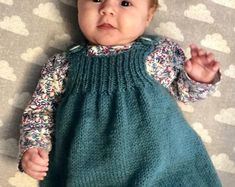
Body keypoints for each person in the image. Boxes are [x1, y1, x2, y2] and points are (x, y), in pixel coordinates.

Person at [18, 0, 222, 186]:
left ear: (148, 16)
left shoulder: (159, 53)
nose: (107, 8)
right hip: (88, 170)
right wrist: (34, 146)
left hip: (163, 165)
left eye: (125, 3)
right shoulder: (61, 66)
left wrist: (198, 78)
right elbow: (40, 111)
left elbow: (184, 93)